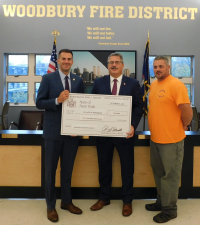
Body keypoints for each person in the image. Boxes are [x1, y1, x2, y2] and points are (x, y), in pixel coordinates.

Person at [90, 52, 143, 216]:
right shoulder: (98, 83)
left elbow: (138, 106)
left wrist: (133, 125)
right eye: (111, 62)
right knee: (104, 166)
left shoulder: (133, 83)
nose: (113, 65)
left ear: (122, 65)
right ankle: (104, 197)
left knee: (127, 168)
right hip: (103, 134)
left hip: (125, 133)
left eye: (117, 62)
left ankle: (127, 201)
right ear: (108, 65)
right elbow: (92, 105)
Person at [36, 49, 84, 222]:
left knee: (67, 171)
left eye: (69, 59)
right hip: (52, 134)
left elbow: (82, 106)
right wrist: (57, 100)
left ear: (72, 61)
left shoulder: (78, 80)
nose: (66, 61)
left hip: (72, 134)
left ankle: (66, 202)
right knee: (50, 172)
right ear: (58, 61)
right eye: (63, 58)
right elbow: (39, 103)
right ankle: (50, 206)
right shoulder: (48, 78)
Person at [146, 56, 193, 223]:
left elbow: (187, 110)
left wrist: (184, 126)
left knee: (170, 177)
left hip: (171, 141)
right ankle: (161, 202)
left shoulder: (176, 85)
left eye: (161, 66)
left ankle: (170, 209)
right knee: (159, 174)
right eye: (155, 67)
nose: (157, 69)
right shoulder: (154, 85)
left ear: (168, 67)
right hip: (156, 139)